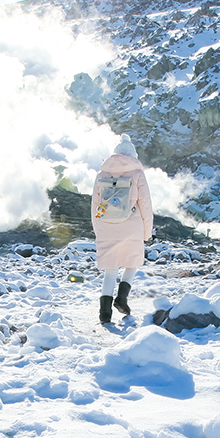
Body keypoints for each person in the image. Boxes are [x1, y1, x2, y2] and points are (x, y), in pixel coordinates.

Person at [91, 139, 153, 326]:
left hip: (106, 226)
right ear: (133, 155)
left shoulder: (102, 174)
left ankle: (104, 313)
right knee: (132, 263)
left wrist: (98, 229)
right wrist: (146, 232)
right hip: (131, 226)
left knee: (110, 271)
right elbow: (145, 205)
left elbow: (95, 205)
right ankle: (122, 299)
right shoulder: (137, 174)